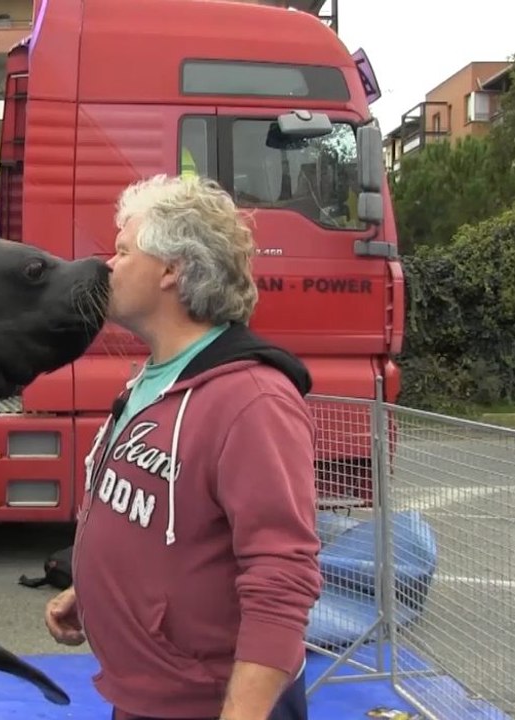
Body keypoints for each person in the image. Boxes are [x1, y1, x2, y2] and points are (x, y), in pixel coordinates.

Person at [44, 174, 322, 720]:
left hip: (207, 705)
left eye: (123, 250)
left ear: (171, 269)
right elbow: (157, 512)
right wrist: (95, 591)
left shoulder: (252, 398)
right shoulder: (155, 379)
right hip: (146, 695)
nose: (107, 264)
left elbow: (282, 579)